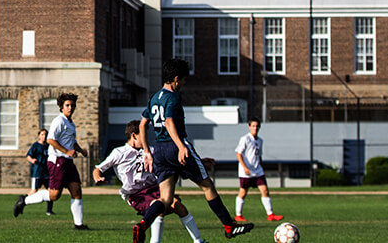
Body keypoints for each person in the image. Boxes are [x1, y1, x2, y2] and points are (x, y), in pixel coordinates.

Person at [136, 59, 254, 242]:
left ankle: (143, 224)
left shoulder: (154, 97)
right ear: (176, 79)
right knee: (207, 186)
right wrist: (182, 147)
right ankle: (229, 226)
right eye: (183, 80)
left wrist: (146, 152)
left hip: (158, 150)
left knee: (165, 198)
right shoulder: (173, 97)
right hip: (175, 146)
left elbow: (143, 125)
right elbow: (169, 122)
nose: (183, 84)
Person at [93, 120, 207, 243]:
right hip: (136, 194)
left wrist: (199, 161)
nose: (146, 139)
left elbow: (172, 160)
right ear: (134, 135)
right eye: (143, 135)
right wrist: (97, 177)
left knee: (177, 206)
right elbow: (98, 168)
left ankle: (198, 241)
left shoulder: (150, 150)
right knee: (157, 206)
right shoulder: (119, 152)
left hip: (154, 188)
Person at [14, 93, 89, 230]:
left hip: (68, 161)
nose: (70, 108)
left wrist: (80, 150)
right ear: (61, 107)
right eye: (67, 105)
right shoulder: (58, 121)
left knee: (76, 190)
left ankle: (78, 225)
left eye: (72, 105)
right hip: (57, 161)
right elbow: (50, 140)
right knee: (54, 195)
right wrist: (66, 151)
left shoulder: (70, 123)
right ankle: (24, 200)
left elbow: (71, 141)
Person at [235, 118, 283, 222]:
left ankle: (270, 214)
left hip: (257, 171)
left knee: (265, 190)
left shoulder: (260, 140)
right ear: (249, 127)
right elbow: (238, 153)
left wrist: (261, 166)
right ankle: (238, 215)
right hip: (246, 172)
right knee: (243, 192)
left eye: (257, 126)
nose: (255, 128)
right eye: (253, 126)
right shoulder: (245, 139)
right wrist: (244, 167)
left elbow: (259, 155)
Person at [26, 128, 54, 216]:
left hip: (47, 173)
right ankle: (22, 202)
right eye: (42, 134)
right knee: (34, 191)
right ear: (39, 136)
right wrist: (32, 160)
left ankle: (49, 211)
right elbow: (28, 156)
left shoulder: (48, 146)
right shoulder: (35, 146)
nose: (44, 136)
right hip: (37, 172)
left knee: (51, 191)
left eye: (45, 134)